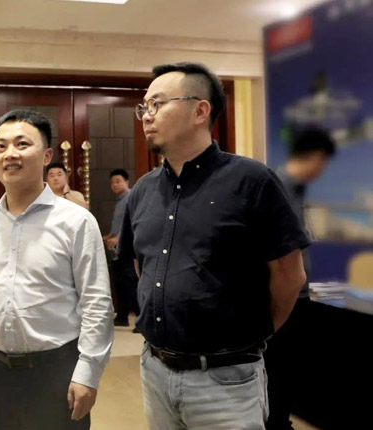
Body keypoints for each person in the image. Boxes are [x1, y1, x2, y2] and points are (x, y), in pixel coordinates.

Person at [118, 62, 309, 429]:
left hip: (226, 379)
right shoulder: (142, 191)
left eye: (158, 103)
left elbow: (289, 275)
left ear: (200, 110)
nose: (146, 116)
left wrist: (252, 337)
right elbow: (144, 267)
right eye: (144, 106)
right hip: (155, 370)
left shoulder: (251, 181)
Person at [0, 109, 114, 430]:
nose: (10, 154)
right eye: (1, 146)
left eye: (22, 144)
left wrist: (88, 373)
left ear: (47, 156)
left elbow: (96, 303)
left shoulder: (76, 221)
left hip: (57, 369)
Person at [264, 126, 335, 430]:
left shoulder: (296, 190)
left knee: (287, 368)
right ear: (317, 157)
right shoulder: (276, 187)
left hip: (299, 295)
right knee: (277, 367)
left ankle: (279, 420)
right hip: (281, 297)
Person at [102, 169, 139, 330]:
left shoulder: (131, 197)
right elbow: (118, 224)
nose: (114, 185)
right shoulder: (120, 200)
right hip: (117, 245)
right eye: (112, 183)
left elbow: (131, 222)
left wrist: (117, 239)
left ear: (127, 182)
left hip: (127, 246)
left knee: (131, 283)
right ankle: (122, 317)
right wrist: (109, 236)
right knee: (120, 282)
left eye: (118, 181)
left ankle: (140, 319)